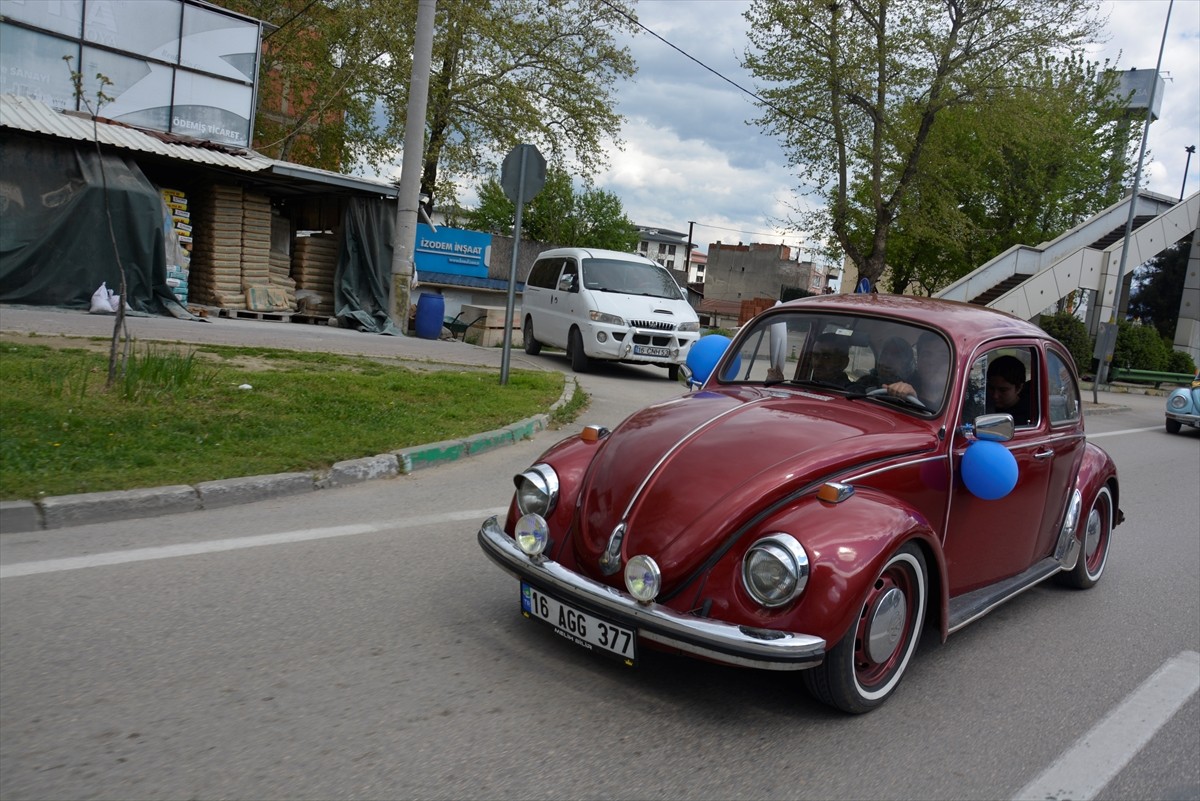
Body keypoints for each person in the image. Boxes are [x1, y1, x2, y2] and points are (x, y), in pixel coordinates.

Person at [882, 332, 949, 409]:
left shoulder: (961, 401)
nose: (933, 362)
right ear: (918, 361)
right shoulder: (903, 385)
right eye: (927, 354)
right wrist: (905, 398)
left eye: (944, 356)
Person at [987, 355, 1031, 424]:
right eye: (991, 388)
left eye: (1003, 390)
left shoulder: (1027, 416)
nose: (995, 395)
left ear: (1018, 388)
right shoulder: (983, 404)